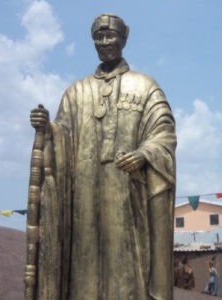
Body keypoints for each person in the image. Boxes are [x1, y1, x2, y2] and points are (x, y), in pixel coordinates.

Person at [25, 13, 176, 300]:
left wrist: (144, 154)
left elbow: (164, 133)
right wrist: (47, 127)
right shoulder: (75, 92)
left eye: (111, 35)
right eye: (98, 37)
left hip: (127, 197)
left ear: (125, 37)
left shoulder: (145, 87)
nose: (105, 42)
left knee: (127, 265)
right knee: (83, 261)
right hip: (84, 198)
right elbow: (63, 135)